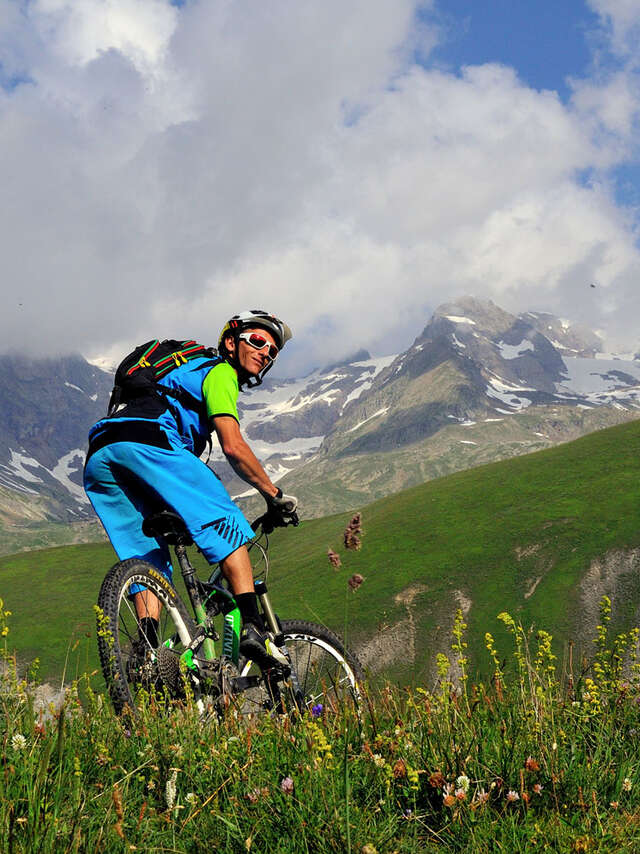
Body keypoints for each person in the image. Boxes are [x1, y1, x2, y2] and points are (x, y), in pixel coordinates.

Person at [84, 310, 298, 665]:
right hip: (150, 441)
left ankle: (148, 656)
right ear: (231, 342)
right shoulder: (220, 372)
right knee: (226, 522)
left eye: (272, 351)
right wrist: (273, 495)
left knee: (148, 560)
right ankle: (253, 628)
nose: (265, 353)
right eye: (258, 341)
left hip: (102, 451)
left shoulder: (179, 373)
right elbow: (233, 446)